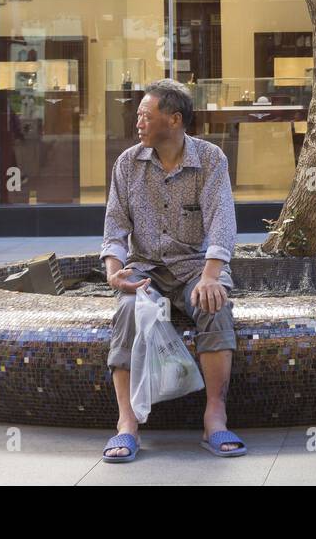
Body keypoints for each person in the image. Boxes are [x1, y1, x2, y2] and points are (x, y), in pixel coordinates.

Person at [99, 78, 245, 462]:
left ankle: (215, 417)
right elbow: (115, 229)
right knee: (128, 310)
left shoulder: (210, 159)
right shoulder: (127, 163)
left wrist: (211, 275)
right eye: (138, 116)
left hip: (195, 265)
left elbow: (222, 223)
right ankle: (126, 423)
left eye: (146, 116)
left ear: (175, 120)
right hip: (145, 267)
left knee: (214, 304)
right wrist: (115, 272)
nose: (138, 123)